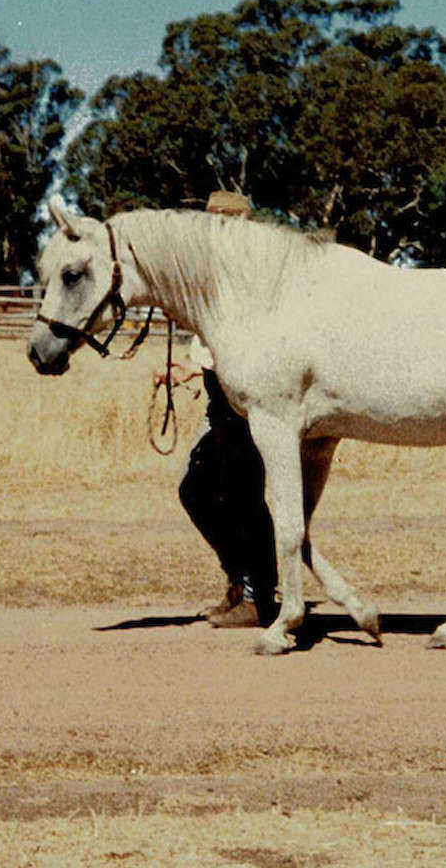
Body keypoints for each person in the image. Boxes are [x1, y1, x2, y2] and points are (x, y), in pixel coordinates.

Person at [176, 191, 278, 627]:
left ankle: (259, 599)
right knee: (195, 491)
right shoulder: (215, 276)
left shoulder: (253, 276)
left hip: (247, 400)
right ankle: (240, 583)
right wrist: (190, 368)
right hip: (219, 396)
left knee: (245, 497)